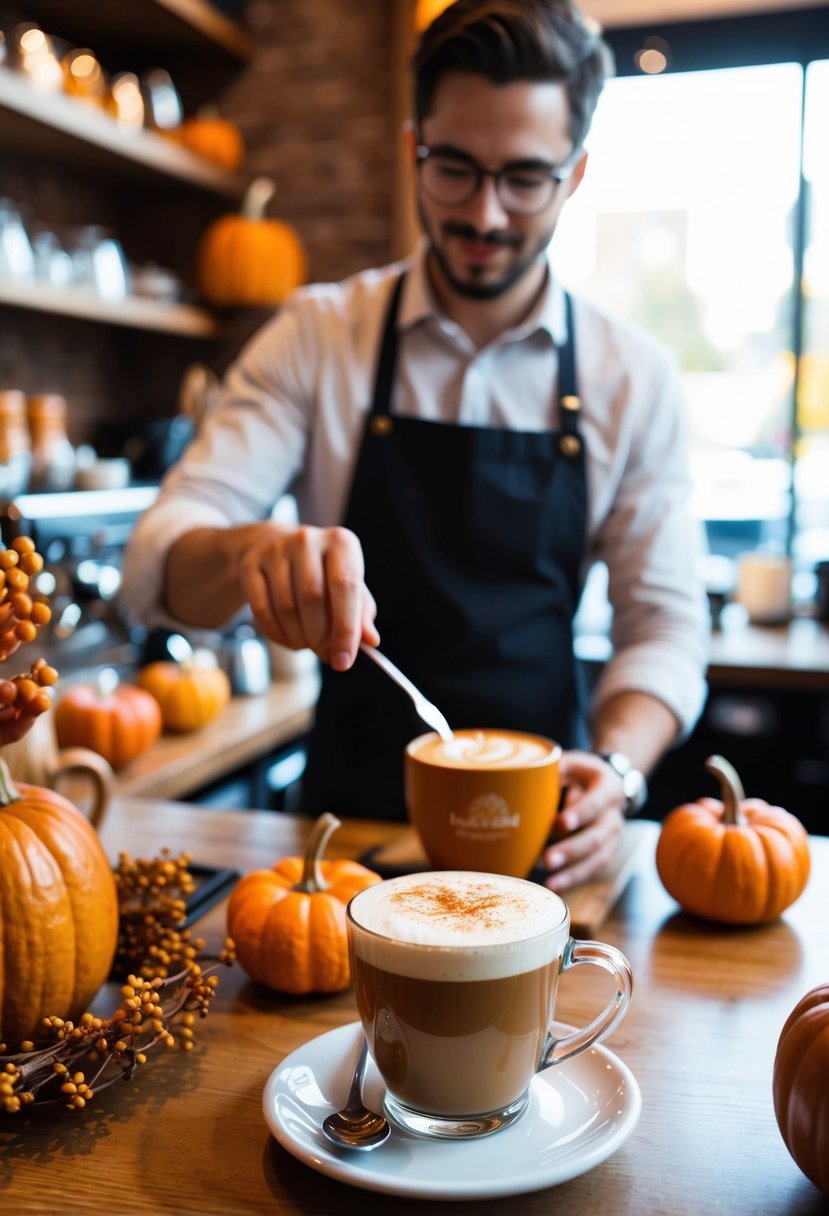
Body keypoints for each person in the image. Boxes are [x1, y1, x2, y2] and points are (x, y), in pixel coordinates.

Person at [122, 0, 710, 892]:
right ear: (412, 149)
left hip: (539, 850)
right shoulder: (319, 336)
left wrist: (619, 772)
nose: (484, 214)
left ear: (576, 173)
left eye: (523, 178)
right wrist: (249, 554)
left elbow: (663, 624)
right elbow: (157, 560)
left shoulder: (634, 377)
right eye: (456, 169)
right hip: (343, 852)